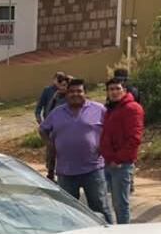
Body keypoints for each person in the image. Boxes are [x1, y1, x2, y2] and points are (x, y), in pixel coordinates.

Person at [40, 79, 113, 223]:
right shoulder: (57, 113)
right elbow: (43, 129)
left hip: (93, 170)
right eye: (72, 92)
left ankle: (110, 233)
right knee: (68, 212)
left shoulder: (99, 109)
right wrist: (49, 144)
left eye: (79, 91)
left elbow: (112, 129)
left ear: (85, 93)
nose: (75, 94)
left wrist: (105, 146)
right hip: (66, 172)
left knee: (100, 208)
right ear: (66, 94)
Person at [100, 78, 144, 224]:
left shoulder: (132, 108)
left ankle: (124, 232)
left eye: (117, 88)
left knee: (120, 205)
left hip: (121, 164)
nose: (114, 92)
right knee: (105, 202)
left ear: (124, 90)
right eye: (111, 89)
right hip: (107, 162)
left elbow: (134, 139)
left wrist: (118, 159)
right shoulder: (111, 109)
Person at [38, 75, 70, 179]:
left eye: (65, 85)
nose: (62, 87)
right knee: (52, 154)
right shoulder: (55, 98)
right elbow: (48, 112)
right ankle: (51, 175)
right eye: (61, 85)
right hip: (55, 131)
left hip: (69, 132)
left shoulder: (71, 99)